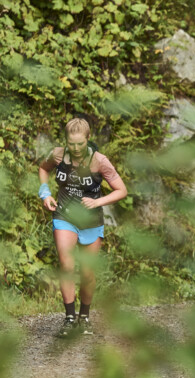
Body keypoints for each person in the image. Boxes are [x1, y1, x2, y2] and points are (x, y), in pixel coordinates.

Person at [38, 118, 127, 337]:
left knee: (87, 273)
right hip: (64, 216)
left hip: (91, 221)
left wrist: (98, 202)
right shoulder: (57, 155)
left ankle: (84, 317)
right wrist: (45, 193)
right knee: (66, 265)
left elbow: (121, 190)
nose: (76, 148)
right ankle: (69, 319)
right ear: (65, 140)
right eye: (71, 144)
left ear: (88, 139)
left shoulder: (99, 161)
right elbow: (43, 169)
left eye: (80, 144)